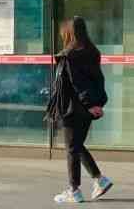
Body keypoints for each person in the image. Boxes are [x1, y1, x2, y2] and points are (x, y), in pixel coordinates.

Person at [46, 16, 113, 204]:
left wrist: (91, 103)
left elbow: (78, 82)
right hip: (87, 108)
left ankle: (74, 190)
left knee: (72, 148)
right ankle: (99, 179)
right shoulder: (93, 52)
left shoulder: (70, 55)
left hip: (73, 108)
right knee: (76, 145)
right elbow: (98, 79)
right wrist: (97, 103)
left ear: (69, 33)